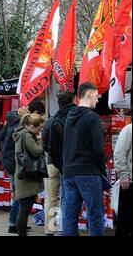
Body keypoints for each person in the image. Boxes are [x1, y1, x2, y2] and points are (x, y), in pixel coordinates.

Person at [62, 82, 106, 236]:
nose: (98, 100)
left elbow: (66, 145)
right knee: (96, 216)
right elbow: (99, 149)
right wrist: (102, 170)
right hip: (88, 171)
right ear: (88, 94)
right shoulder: (92, 118)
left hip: (69, 172)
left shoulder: (69, 117)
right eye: (96, 96)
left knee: (70, 215)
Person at [42, 90, 75, 236]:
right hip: (70, 163)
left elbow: (44, 143)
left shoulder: (50, 121)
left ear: (59, 103)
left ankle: (50, 229)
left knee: (52, 197)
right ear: (73, 99)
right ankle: (66, 228)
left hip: (52, 163)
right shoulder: (75, 118)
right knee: (69, 197)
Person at [13, 113, 45, 236]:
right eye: (38, 128)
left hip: (23, 175)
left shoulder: (20, 134)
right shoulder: (26, 136)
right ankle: (21, 233)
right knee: (24, 209)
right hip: (27, 177)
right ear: (31, 126)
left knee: (23, 208)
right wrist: (40, 141)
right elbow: (37, 152)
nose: (39, 131)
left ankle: (21, 232)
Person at [0, 110, 21, 233]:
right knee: (19, 195)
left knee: (16, 194)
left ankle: (18, 221)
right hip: (14, 166)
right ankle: (13, 223)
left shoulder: (7, 129)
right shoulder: (15, 129)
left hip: (9, 165)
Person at [113, 122, 132, 236]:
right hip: (129, 182)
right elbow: (119, 154)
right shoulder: (129, 129)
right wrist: (124, 175)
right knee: (125, 222)